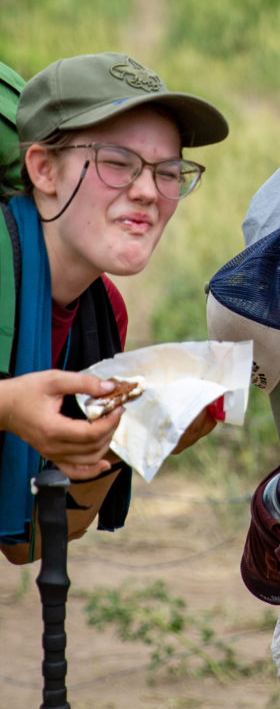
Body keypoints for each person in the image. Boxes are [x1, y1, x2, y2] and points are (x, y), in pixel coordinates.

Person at [0, 52, 229, 564]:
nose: (148, 191)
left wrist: (129, 440)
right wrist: (7, 406)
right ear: (44, 169)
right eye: (118, 163)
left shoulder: (103, 312)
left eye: (168, 171)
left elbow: (26, 542)